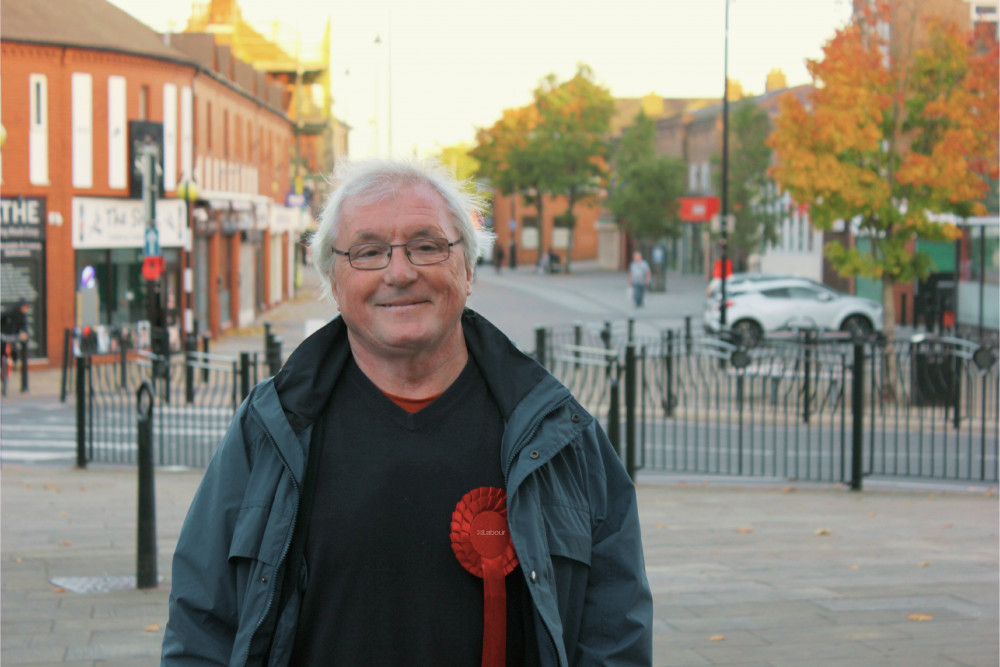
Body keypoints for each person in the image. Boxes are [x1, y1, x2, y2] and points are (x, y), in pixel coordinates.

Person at [162, 158, 652, 666]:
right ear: (334, 279)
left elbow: (615, 631)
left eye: (426, 246)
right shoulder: (269, 428)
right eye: (369, 251)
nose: (400, 272)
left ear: (466, 268)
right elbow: (202, 626)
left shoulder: (558, 432)